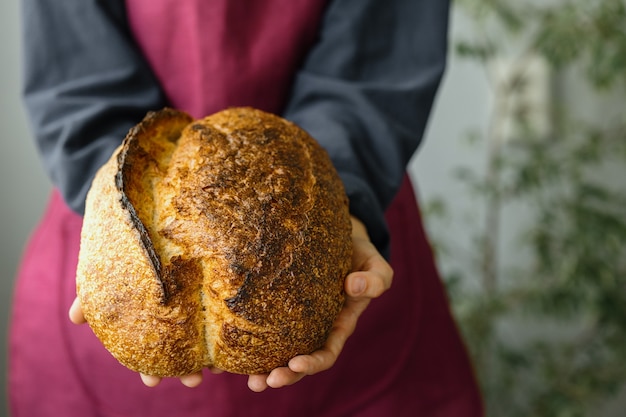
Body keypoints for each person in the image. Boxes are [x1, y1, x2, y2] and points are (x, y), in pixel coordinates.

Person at [10, 0, 483, 416]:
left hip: (338, 222)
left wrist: (344, 193)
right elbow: (75, 79)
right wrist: (121, 230)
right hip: (116, 255)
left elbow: (379, 64)